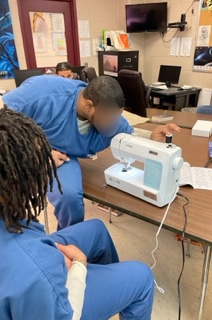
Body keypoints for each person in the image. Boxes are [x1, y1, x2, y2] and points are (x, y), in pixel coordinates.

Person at [0, 107, 154, 320]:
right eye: (39, 163)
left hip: (21, 256)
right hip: (56, 300)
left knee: (97, 229)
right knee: (142, 276)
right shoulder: (35, 269)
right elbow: (67, 315)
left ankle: (105, 291)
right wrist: (79, 268)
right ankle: (99, 291)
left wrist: (48, 252)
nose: (47, 167)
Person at [2, 75, 180, 229]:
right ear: (89, 105)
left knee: (72, 201)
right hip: (42, 148)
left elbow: (127, 133)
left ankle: (72, 239)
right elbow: (3, 120)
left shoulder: (109, 113)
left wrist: (150, 135)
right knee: (68, 197)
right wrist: (37, 153)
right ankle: (63, 246)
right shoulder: (43, 92)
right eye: (109, 117)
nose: (113, 122)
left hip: (66, 152)